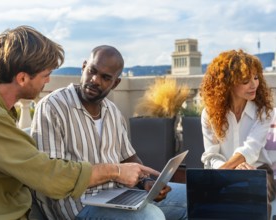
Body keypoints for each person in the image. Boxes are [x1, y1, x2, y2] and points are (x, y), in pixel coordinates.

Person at [0, 26, 160, 220]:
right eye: (45, 75)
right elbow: (48, 175)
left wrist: (142, 180)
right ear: (22, 78)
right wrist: (116, 171)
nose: (48, 81)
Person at [30, 45, 187, 220]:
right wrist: (117, 172)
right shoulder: (52, 107)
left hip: (117, 196)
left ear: (116, 83)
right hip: (77, 206)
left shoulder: (112, 111)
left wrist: (147, 182)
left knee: (193, 197)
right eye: (92, 71)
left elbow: (129, 157)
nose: (95, 80)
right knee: (151, 217)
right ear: (83, 67)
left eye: (105, 77)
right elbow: (52, 176)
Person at [200, 49, 276, 218]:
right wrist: (228, 173)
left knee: (253, 195)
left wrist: (225, 174)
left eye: (256, 77)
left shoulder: (263, 112)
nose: (254, 85)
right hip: (222, 173)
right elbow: (211, 156)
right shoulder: (209, 114)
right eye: (245, 80)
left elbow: (251, 149)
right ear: (227, 83)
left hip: (259, 172)